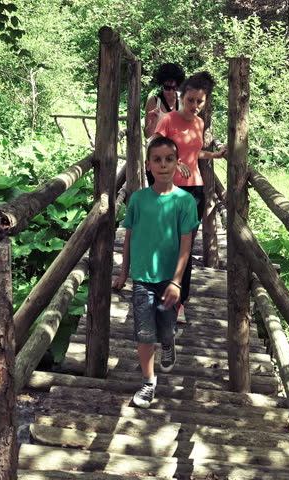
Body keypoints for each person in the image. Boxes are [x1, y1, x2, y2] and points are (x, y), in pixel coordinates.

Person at [112, 136, 200, 409]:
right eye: (157, 160)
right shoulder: (138, 199)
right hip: (142, 278)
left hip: (168, 279)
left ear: (177, 164)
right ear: (148, 165)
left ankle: (169, 340)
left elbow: (187, 244)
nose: (163, 165)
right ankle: (149, 382)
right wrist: (124, 272)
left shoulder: (185, 201)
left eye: (169, 159)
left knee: (165, 325)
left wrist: (176, 282)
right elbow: (128, 238)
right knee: (143, 332)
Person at [150, 71, 226, 322]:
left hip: (194, 192)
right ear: (182, 97)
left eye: (200, 102)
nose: (195, 106)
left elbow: (194, 154)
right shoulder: (168, 121)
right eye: (191, 100)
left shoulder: (199, 123)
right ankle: (160, 295)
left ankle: (179, 302)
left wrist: (215, 156)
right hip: (169, 191)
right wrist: (175, 161)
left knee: (184, 249)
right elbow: (155, 151)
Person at [144, 63, 186, 139]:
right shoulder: (153, 102)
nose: (171, 91)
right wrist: (153, 122)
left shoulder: (183, 100)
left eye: (174, 88)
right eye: (167, 87)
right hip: (157, 147)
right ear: (162, 84)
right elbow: (147, 135)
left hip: (177, 147)